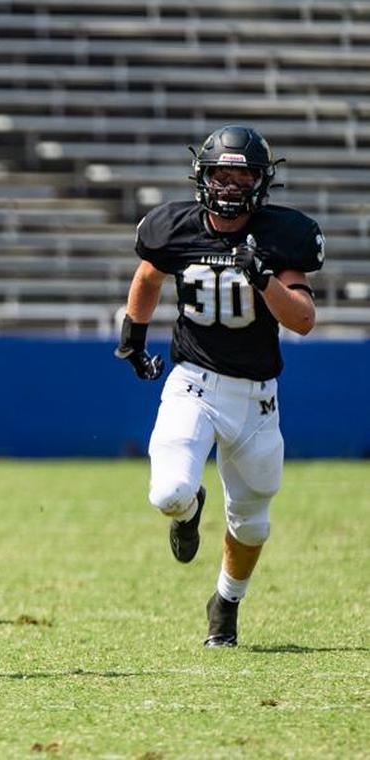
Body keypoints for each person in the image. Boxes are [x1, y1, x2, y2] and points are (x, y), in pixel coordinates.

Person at [116, 125, 322, 647]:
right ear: (202, 177)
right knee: (169, 491)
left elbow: (302, 319)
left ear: (261, 181)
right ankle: (189, 512)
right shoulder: (174, 227)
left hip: (256, 397)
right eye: (221, 175)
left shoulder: (282, 235)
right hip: (194, 383)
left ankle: (226, 603)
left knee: (251, 525)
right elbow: (148, 276)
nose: (230, 186)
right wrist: (133, 341)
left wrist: (263, 278)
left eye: (242, 175)